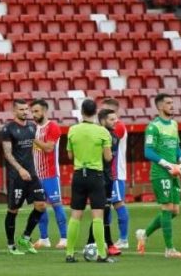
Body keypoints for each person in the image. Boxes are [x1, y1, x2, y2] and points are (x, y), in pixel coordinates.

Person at [136, 93, 181, 259]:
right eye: (168, 103)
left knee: (175, 211)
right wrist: (168, 165)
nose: (172, 105)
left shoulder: (174, 124)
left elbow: (176, 146)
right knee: (167, 208)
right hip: (161, 173)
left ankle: (144, 234)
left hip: (174, 172)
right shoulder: (153, 127)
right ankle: (169, 249)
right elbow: (148, 151)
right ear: (159, 107)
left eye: (172, 103)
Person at [64, 100, 114, 264]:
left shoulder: (72, 130)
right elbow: (107, 157)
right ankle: (101, 254)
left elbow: (70, 157)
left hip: (78, 175)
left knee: (75, 215)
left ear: (81, 111)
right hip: (95, 176)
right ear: (95, 112)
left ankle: (70, 254)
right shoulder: (102, 132)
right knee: (97, 215)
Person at [1, 100, 46, 255]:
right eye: (21, 109)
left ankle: (25, 237)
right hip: (16, 176)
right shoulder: (8, 128)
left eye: (27, 109)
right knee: (13, 210)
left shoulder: (32, 126)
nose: (25, 112)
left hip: (32, 174)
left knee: (41, 205)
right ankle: (11, 245)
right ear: (14, 111)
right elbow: (7, 153)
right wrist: (20, 169)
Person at [29, 100, 67, 249]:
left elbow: (49, 148)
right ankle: (44, 238)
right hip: (36, 176)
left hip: (50, 174)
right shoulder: (33, 127)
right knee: (39, 206)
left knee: (57, 205)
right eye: (32, 112)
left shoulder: (53, 127)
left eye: (36, 111)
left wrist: (33, 138)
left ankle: (64, 238)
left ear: (44, 111)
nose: (34, 114)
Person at [85, 109, 121, 257]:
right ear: (102, 120)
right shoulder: (96, 134)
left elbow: (110, 160)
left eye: (115, 119)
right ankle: (108, 243)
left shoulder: (115, 137)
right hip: (97, 177)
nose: (115, 122)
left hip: (108, 177)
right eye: (111, 119)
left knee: (104, 212)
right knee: (101, 212)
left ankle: (92, 243)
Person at [100, 98, 130, 249]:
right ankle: (107, 238)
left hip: (115, 172)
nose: (102, 114)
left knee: (118, 203)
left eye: (106, 111)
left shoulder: (118, 127)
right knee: (107, 205)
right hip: (107, 172)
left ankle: (124, 239)